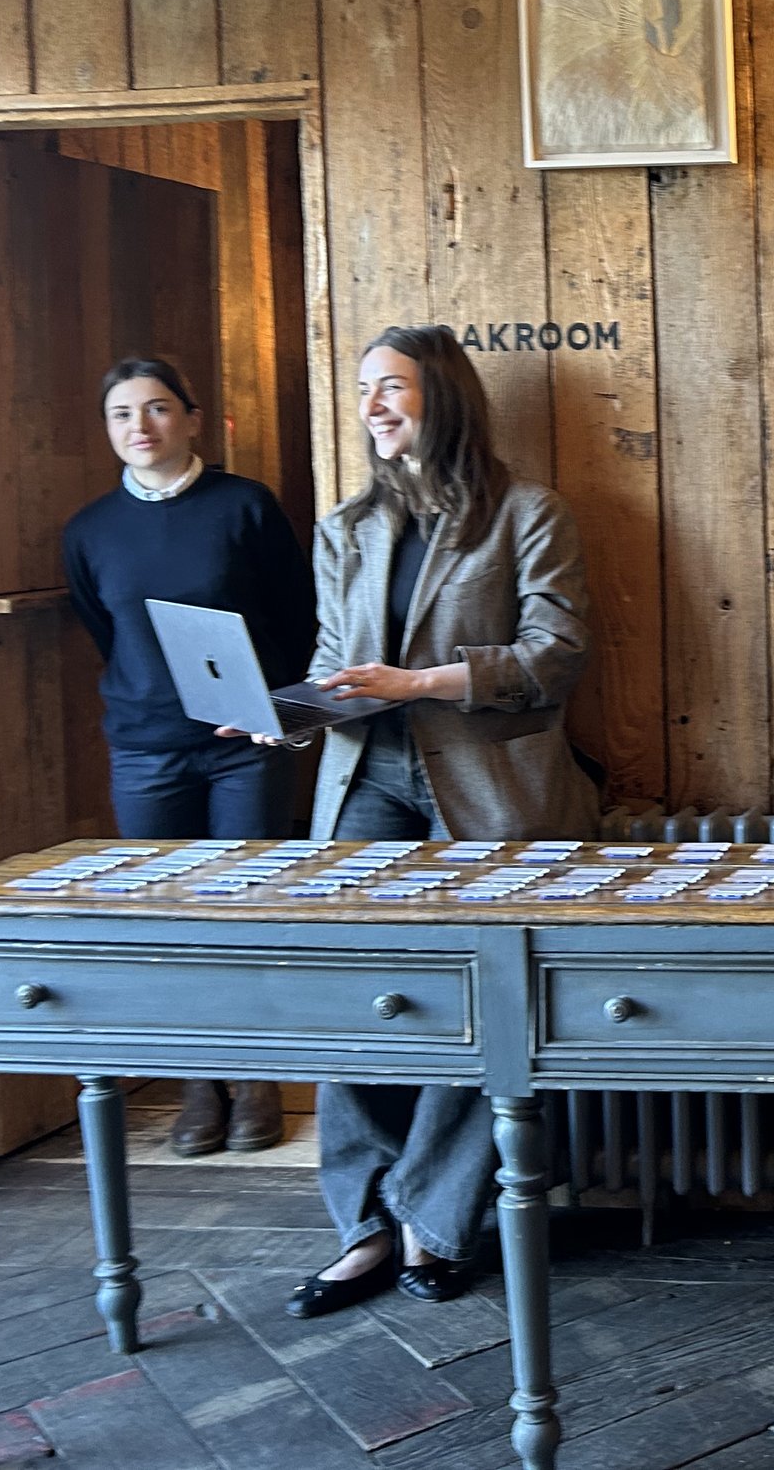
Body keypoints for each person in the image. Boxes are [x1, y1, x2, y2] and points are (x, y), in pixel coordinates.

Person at [272, 324, 601, 1318]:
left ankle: (435, 1219)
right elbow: (340, 664)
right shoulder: (345, 529)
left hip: (489, 791)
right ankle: (365, 1224)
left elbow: (557, 654)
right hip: (366, 775)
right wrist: (283, 713)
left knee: (478, 996)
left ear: (442, 398)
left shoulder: (528, 515)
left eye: (393, 388)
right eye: (365, 389)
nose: (372, 405)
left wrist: (418, 681)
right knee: (348, 991)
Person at [64, 357, 315, 1158]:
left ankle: (258, 1083)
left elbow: (294, 616)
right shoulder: (89, 529)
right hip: (145, 748)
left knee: (246, 911)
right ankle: (200, 1084)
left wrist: (272, 710)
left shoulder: (244, 505)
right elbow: (108, 635)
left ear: (194, 418)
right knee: (167, 919)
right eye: (122, 413)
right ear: (107, 429)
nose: (141, 425)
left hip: (244, 743)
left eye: (160, 407)